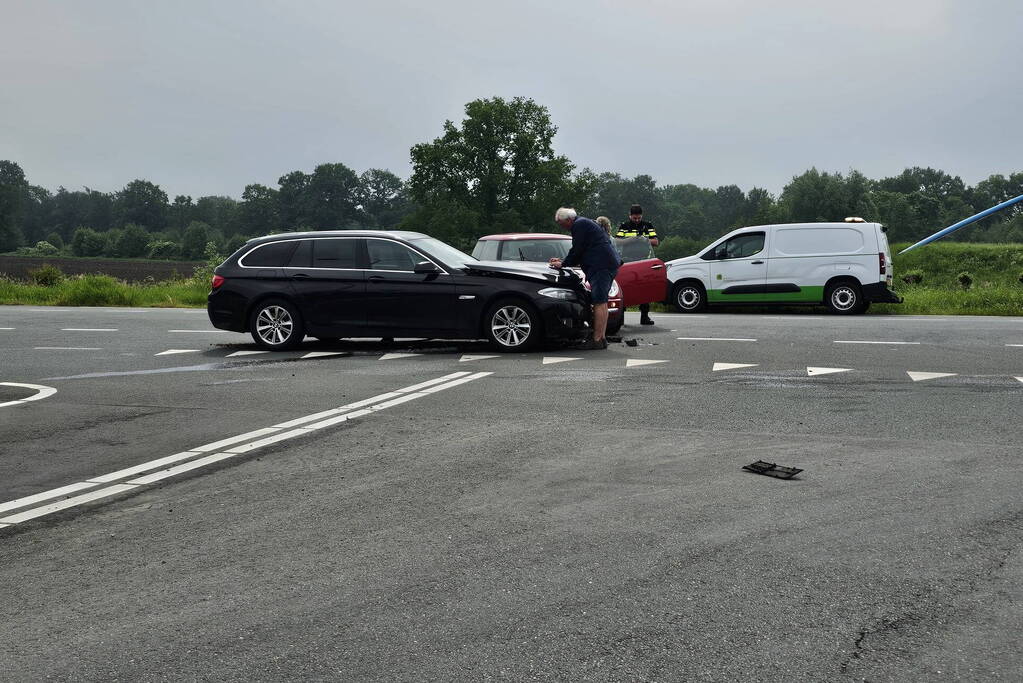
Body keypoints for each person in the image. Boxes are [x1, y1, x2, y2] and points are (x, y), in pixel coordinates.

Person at [548, 207, 619, 350]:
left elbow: (577, 249)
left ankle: (597, 339)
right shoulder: (586, 222)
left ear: (568, 220)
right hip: (607, 263)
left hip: (601, 266)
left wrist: (563, 263)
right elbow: (584, 249)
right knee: (602, 301)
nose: (562, 227)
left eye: (562, 224)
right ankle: (602, 337)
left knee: (599, 301)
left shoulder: (579, 225)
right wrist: (565, 260)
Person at [615, 204, 659, 325]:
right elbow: (617, 242)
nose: (637, 220)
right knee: (625, 287)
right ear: (630, 216)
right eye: (635, 218)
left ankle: (644, 316)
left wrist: (645, 240)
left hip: (643, 260)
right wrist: (631, 240)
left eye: (639, 218)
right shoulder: (624, 226)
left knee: (644, 287)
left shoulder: (647, 225)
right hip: (627, 260)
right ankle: (621, 317)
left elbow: (656, 241)